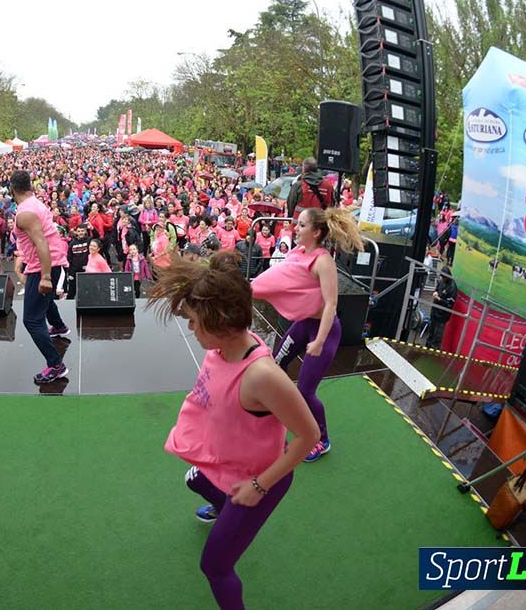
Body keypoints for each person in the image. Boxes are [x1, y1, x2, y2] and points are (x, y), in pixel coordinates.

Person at [148, 251, 319, 610]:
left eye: (195, 322)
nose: (191, 329)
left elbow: (309, 436)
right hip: (223, 461)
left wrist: (259, 486)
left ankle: (233, 511)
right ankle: (223, 506)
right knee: (194, 480)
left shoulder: (262, 377)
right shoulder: (223, 347)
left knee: (214, 566)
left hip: (255, 479)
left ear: (221, 321)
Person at [250, 207, 364, 462]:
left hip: (324, 330)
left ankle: (322, 440)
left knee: (305, 390)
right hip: (303, 323)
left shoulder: (324, 262)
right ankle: (275, 413)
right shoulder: (298, 251)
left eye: (302, 225)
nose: (295, 228)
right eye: (297, 224)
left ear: (316, 231)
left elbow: (331, 305)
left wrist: (320, 341)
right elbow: (284, 278)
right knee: (276, 365)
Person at [10, 170, 71, 384]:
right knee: (44, 301)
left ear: (12, 190)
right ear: (30, 186)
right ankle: (59, 327)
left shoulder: (24, 213)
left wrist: (45, 276)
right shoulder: (36, 202)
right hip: (49, 262)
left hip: (43, 266)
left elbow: (41, 243)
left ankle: (56, 365)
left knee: (32, 320)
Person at [428, 265, 456, 348]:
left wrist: (440, 299)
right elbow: (437, 289)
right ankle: (428, 345)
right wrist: (435, 292)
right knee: (431, 330)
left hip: (443, 314)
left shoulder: (452, 287)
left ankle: (434, 348)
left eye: (444, 277)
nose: (442, 278)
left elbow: (450, 304)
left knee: (438, 335)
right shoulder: (441, 281)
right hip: (435, 310)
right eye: (442, 277)